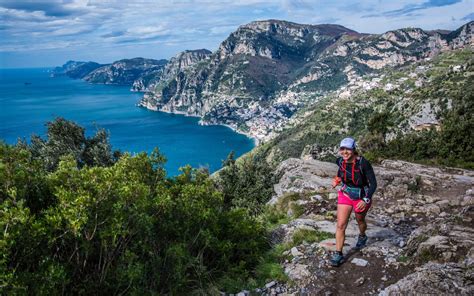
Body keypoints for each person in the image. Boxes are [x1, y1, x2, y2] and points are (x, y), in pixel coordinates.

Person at [330, 137, 377, 267]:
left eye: (348, 149)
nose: (345, 152)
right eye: (342, 149)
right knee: (340, 225)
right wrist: (337, 180)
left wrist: (366, 199)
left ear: (353, 149)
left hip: (361, 196)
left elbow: (373, 184)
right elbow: (340, 173)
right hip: (345, 194)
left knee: (360, 220)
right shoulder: (340, 161)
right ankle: (338, 253)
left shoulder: (363, 163)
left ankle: (362, 235)